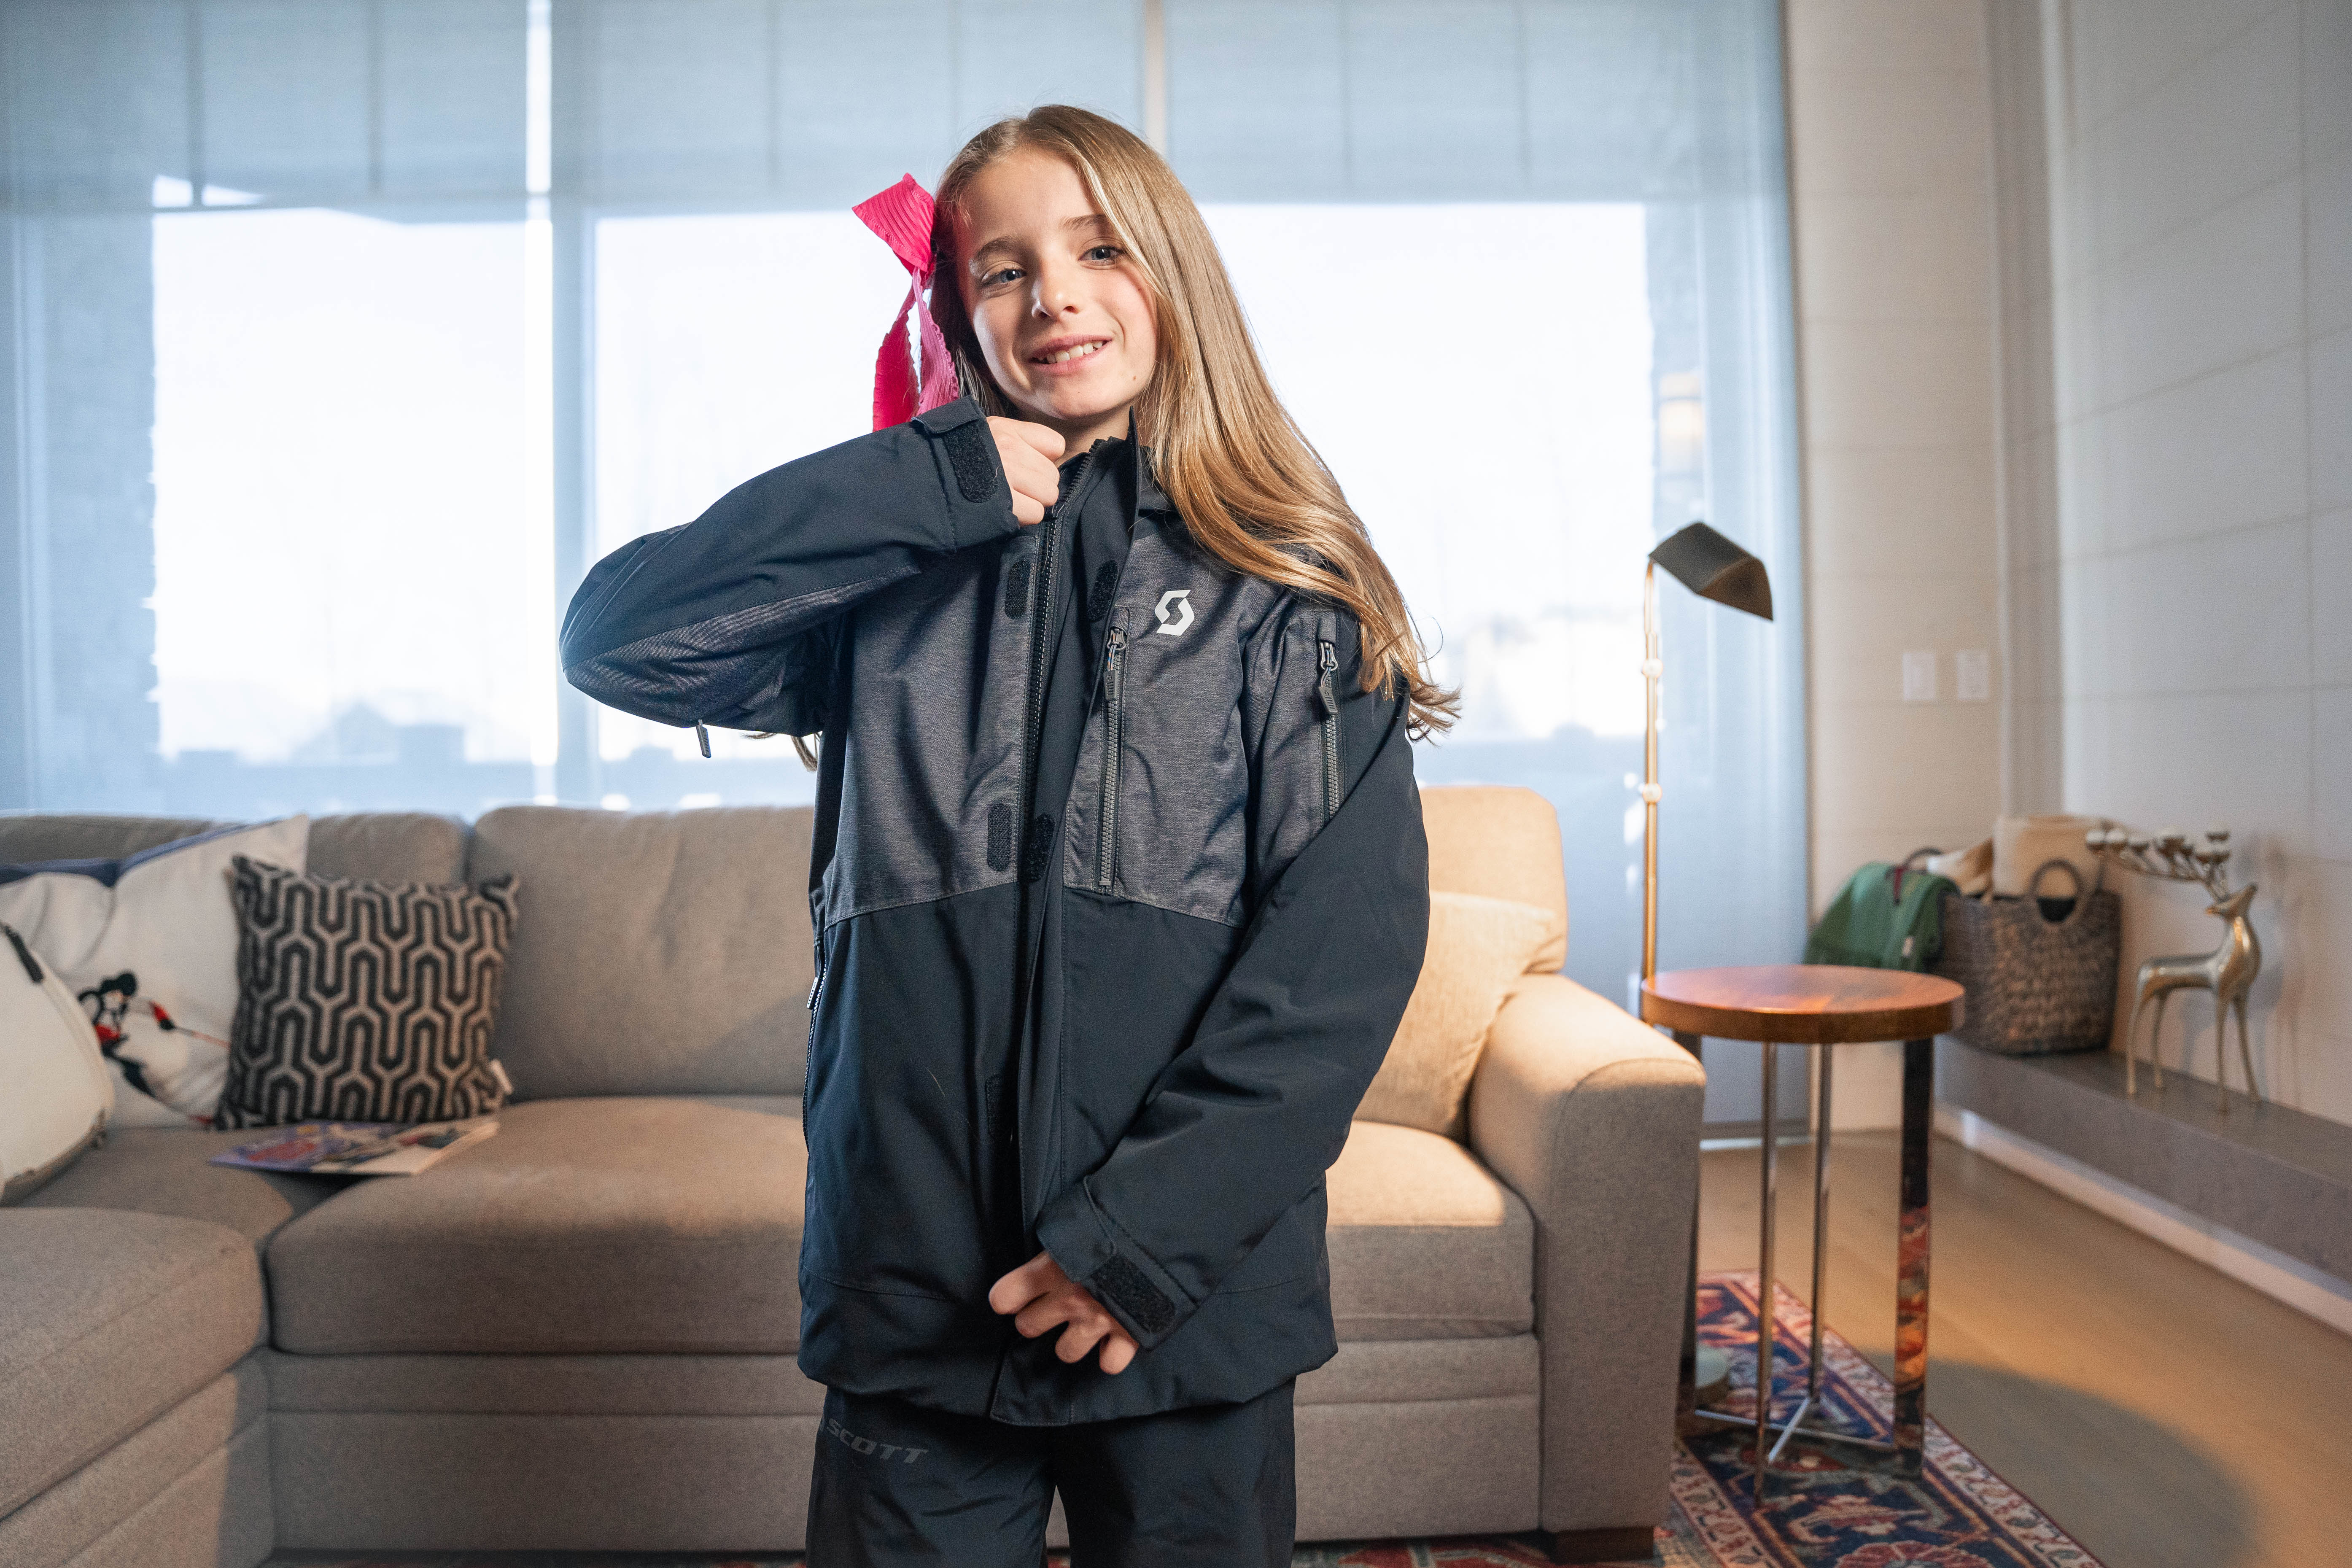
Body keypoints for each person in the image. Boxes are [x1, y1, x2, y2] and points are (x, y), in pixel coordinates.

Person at [560, 104, 1449, 1568]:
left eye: (1099, 250)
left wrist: (1139, 1244)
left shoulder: (1288, 589)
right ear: (953, 314)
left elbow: (1338, 963)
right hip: (916, 1291)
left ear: (1173, 271)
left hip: (1180, 1306)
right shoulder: (885, 576)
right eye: (1001, 269)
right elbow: (617, 641)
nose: (1054, 298)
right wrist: (914, 483)